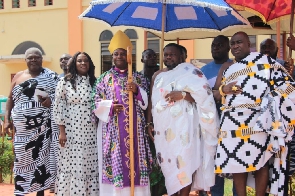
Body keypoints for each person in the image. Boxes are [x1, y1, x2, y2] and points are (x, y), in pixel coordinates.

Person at [214, 31, 295, 196]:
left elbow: (288, 87)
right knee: (236, 163)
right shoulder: (228, 67)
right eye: (232, 43)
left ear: (249, 45)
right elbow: (215, 92)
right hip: (231, 121)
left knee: (261, 162)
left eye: (239, 42)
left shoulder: (266, 62)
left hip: (258, 120)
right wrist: (224, 89)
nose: (235, 46)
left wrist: (270, 103)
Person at [147, 43, 219, 196]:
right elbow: (152, 102)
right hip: (164, 130)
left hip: (186, 129)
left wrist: (183, 95)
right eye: (166, 54)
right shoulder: (158, 75)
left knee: (185, 161)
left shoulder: (192, 72)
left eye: (172, 54)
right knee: (169, 164)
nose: (168, 57)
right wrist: (149, 123)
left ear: (181, 56)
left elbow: (205, 98)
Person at [91, 30, 152, 195]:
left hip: (136, 132)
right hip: (113, 132)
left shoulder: (139, 78)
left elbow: (147, 103)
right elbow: (94, 102)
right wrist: (109, 106)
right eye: (116, 54)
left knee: (136, 165)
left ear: (129, 55)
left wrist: (137, 91)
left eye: (122, 53)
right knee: (116, 165)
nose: (119, 56)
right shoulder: (103, 79)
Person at [4, 47, 59, 196]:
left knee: (41, 159)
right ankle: (20, 191)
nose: (33, 60)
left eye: (37, 57)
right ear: (25, 60)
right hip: (22, 131)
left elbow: (60, 96)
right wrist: (6, 120)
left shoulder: (51, 76)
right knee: (21, 161)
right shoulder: (18, 76)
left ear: (42, 59)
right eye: (30, 57)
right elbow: (10, 99)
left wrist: (51, 100)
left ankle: (40, 192)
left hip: (43, 128)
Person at [53, 51, 99, 195]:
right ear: (74, 63)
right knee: (72, 164)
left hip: (92, 130)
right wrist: (62, 131)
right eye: (79, 61)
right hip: (71, 130)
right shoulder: (65, 82)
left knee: (90, 163)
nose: (83, 63)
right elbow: (58, 106)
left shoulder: (94, 81)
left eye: (86, 61)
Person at [200, 35, 237, 196]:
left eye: (220, 45)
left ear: (228, 48)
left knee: (236, 164)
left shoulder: (237, 67)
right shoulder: (202, 71)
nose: (215, 48)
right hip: (211, 123)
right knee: (215, 162)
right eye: (213, 45)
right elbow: (203, 95)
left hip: (235, 123)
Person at [260, 38, 295, 196]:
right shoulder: (254, 67)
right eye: (264, 47)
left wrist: (290, 73)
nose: (267, 49)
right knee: (265, 165)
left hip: (284, 123)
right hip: (262, 125)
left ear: (276, 50)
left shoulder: (284, 66)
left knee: (284, 165)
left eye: (270, 47)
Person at [141, 48, 166, 196]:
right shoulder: (138, 77)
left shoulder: (162, 76)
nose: (152, 58)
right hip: (141, 124)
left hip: (160, 123)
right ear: (142, 59)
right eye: (148, 56)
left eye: (154, 56)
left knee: (159, 159)